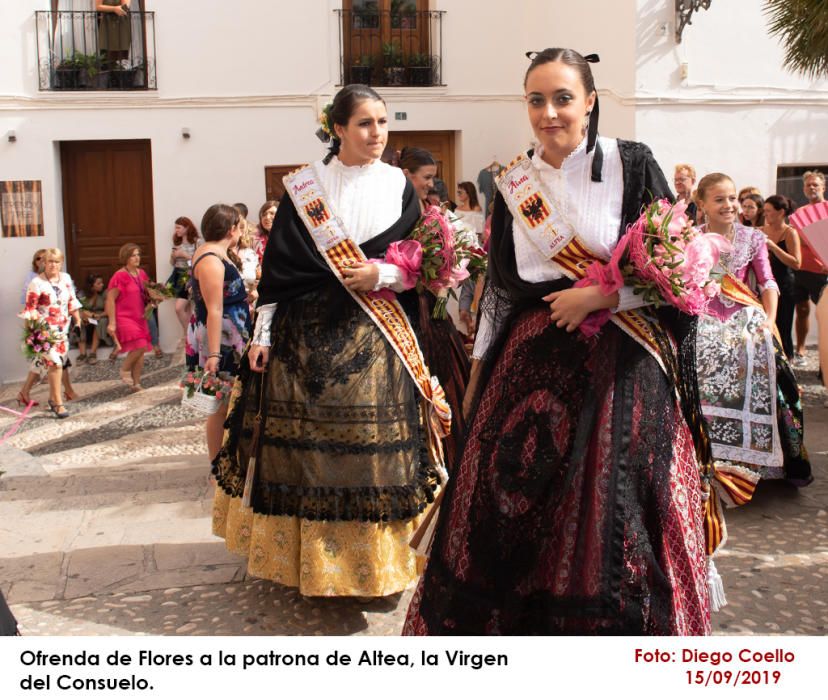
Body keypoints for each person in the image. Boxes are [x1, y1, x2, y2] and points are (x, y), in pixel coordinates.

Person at [405, 48, 710, 635]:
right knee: (511, 511)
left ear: (590, 101)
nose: (549, 113)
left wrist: (601, 297)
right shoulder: (512, 182)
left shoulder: (632, 163)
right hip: (527, 372)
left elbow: (680, 274)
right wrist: (478, 375)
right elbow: (497, 293)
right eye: (536, 100)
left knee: (619, 510)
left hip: (621, 368)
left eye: (563, 98)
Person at [211, 84, 444, 598]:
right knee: (310, 454)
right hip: (303, 342)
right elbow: (279, 274)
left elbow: (419, 267)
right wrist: (263, 336)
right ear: (337, 128)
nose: (377, 133)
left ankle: (377, 568)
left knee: (375, 452)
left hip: (375, 335)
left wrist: (381, 273)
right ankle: (312, 567)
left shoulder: (401, 188)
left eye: (383, 122)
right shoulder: (305, 187)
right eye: (364, 123)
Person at [694, 173, 810, 486]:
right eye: (719, 199)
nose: (729, 205)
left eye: (732, 198)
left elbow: (768, 281)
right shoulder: (690, 238)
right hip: (701, 315)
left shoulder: (753, 238)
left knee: (764, 360)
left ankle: (752, 460)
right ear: (701, 204)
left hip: (744, 314)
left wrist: (769, 321)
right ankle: (701, 456)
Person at [399, 146, 471, 470]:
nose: (431, 184)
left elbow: (444, 269)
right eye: (426, 177)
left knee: (445, 359)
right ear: (406, 175)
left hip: (434, 305)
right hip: (410, 306)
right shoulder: (398, 211)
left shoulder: (432, 212)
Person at [186, 204, 251, 463]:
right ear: (232, 229)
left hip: (227, 335)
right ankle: (216, 465)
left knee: (226, 403)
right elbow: (214, 309)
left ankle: (228, 457)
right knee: (218, 405)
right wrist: (213, 354)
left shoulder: (214, 253)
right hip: (220, 341)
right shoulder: (211, 260)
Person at [19, 248, 82, 419]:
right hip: (43, 331)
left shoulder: (66, 278)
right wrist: (30, 334)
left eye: (56, 261)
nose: (53, 264)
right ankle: (57, 402)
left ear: (61, 263)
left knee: (44, 363)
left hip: (62, 330)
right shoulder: (36, 283)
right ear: (43, 263)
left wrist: (77, 318)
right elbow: (30, 310)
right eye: (49, 261)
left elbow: (72, 299)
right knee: (55, 364)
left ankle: (24, 393)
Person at [105, 243, 153, 391]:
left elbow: (148, 293)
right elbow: (110, 299)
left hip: (140, 316)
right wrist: (112, 322)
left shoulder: (142, 273)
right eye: (133, 255)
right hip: (124, 317)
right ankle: (124, 369)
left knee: (141, 351)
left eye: (138, 254)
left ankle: (136, 383)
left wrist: (154, 302)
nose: (137, 258)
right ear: (126, 257)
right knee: (141, 345)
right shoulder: (119, 276)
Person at [792, 170, 827, 362]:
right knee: (802, 310)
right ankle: (801, 351)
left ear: (823, 187)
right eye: (808, 185)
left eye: (815, 184)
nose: (812, 188)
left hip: (822, 271)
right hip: (801, 269)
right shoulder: (800, 212)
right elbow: (798, 239)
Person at [762, 195, 802, 359]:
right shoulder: (760, 230)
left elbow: (797, 263)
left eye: (769, 211)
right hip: (766, 286)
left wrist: (773, 247)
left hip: (785, 285)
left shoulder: (790, 232)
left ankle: (788, 363)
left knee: (784, 326)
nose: (765, 215)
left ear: (781, 212)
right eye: (764, 211)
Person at [16, 249, 47, 406]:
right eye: (38, 259)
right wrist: (30, 330)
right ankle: (25, 391)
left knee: (54, 360)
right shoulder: (33, 280)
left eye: (45, 258)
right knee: (42, 359)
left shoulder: (59, 278)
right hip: (41, 325)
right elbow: (29, 305)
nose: (42, 261)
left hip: (54, 325)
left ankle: (66, 391)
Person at [169, 216, 201, 334]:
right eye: (175, 228)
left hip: (190, 277)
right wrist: (173, 256)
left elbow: (200, 260)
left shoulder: (197, 242)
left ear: (187, 228)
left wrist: (184, 254)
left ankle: (188, 335)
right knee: (185, 308)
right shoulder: (177, 243)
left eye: (179, 227)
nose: (176, 230)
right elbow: (172, 263)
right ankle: (189, 335)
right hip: (178, 275)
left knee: (179, 307)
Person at [76, 273, 110, 365]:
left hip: (99, 317)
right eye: (99, 283)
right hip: (86, 317)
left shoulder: (105, 293)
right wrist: (85, 317)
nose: (102, 285)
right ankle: (82, 353)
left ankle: (93, 353)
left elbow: (107, 312)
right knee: (77, 320)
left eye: (102, 283)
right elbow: (79, 309)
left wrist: (95, 316)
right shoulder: (82, 294)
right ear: (91, 285)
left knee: (101, 321)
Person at [251, 200, 277, 265]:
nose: (267, 217)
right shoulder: (255, 241)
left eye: (272, 213)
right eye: (264, 214)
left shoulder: (289, 239)